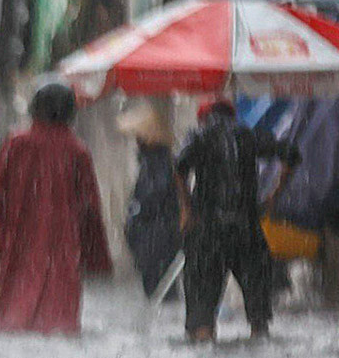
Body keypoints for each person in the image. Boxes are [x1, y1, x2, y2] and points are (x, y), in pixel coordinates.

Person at [0, 79, 113, 334]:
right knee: (58, 317)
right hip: (64, 243)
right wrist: (96, 256)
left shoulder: (16, 144)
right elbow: (90, 207)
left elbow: (0, 196)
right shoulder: (78, 151)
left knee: (16, 311)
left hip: (20, 237)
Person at [173, 97, 300, 342]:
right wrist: (273, 196)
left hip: (207, 235)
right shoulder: (249, 135)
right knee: (259, 318)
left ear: (204, 119)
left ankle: (205, 343)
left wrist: (186, 209)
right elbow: (291, 154)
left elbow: (179, 166)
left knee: (201, 319)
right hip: (247, 232)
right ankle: (257, 337)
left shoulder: (200, 135)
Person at [117, 100, 181, 298]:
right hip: (154, 233)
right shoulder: (153, 160)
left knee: (159, 287)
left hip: (157, 233)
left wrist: (138, 213)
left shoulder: (158, 162)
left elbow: (154, 194)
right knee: (157, 286)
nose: (136, 139)